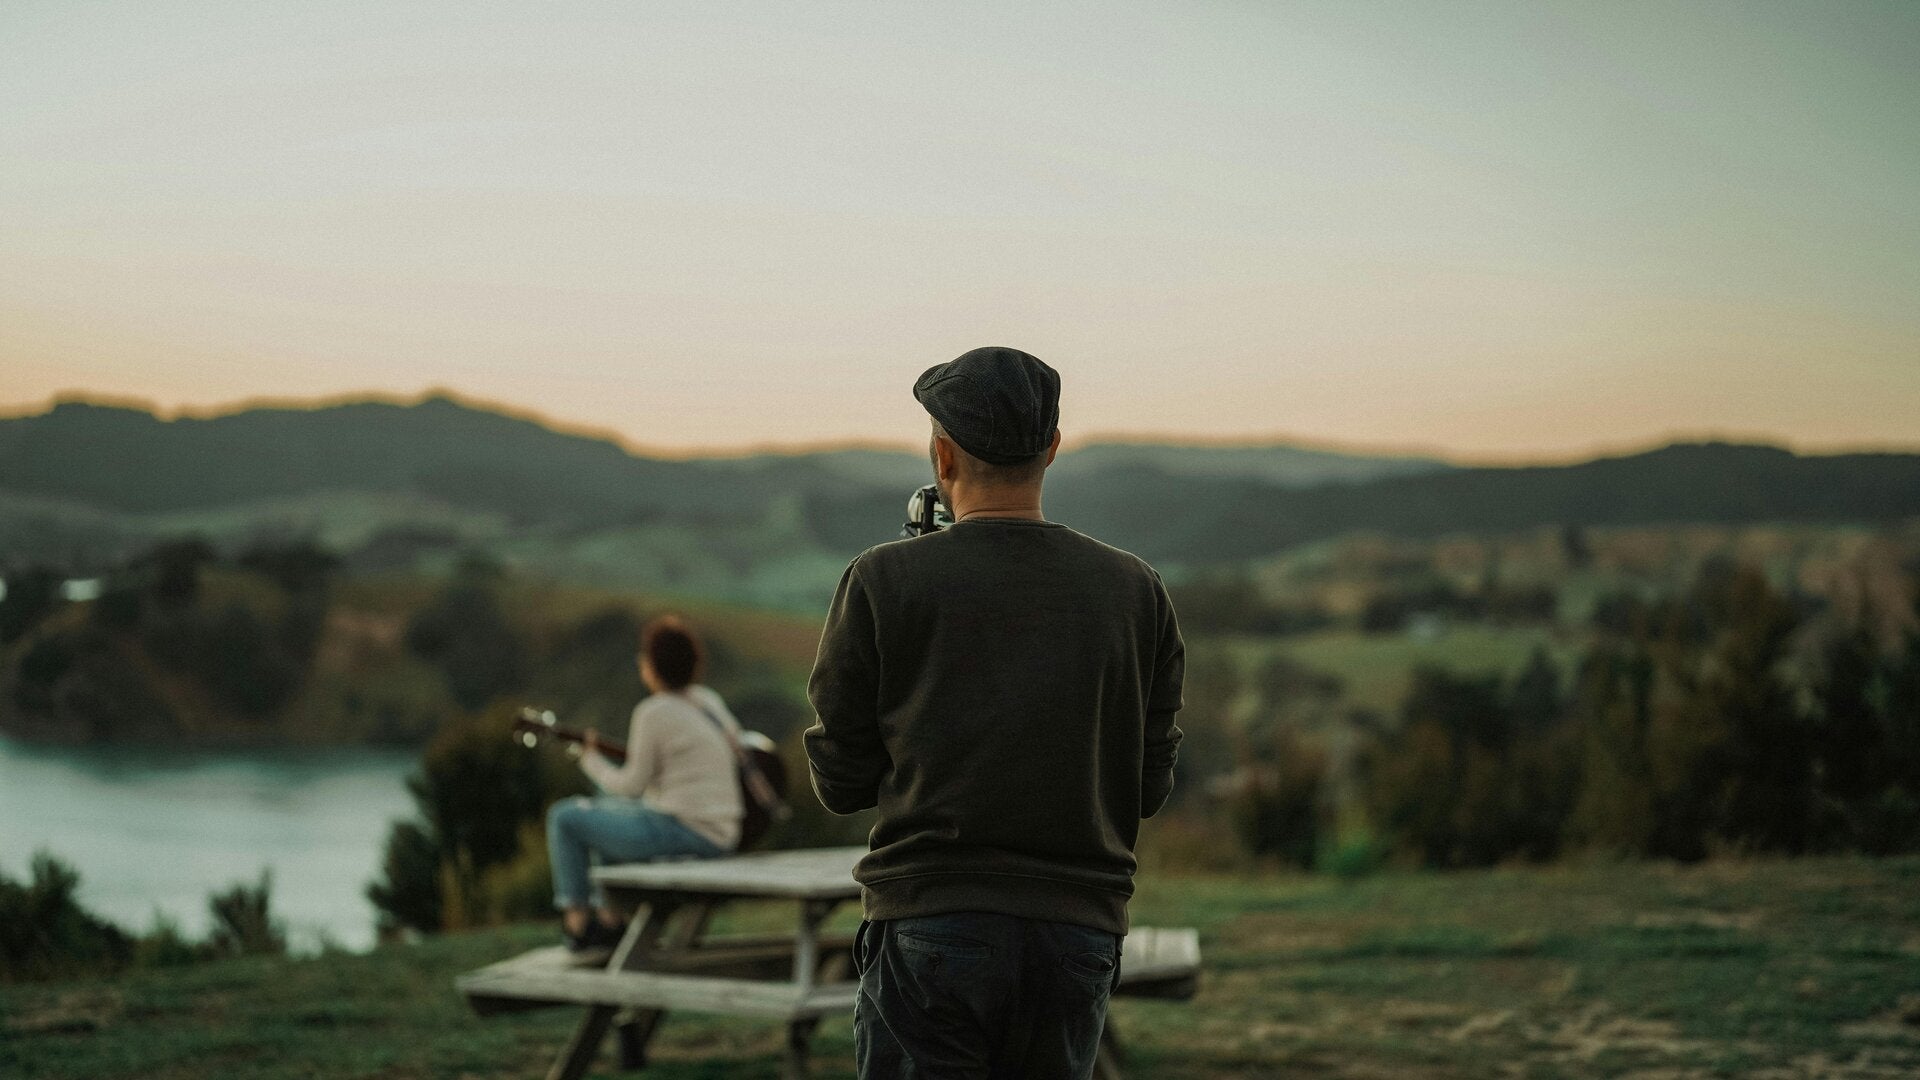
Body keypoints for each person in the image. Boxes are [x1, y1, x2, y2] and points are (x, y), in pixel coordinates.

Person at [804, 346, 1186, 1078]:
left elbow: (840, 782)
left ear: (943, 454)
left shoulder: (882, 580)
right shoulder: (1137, 590)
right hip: (1078, 930)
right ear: (1052, 448)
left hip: (931, 920)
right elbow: (1148, 785)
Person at [546, 615, 744, 951]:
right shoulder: (707, 700)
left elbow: (630, 786)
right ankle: (610, 919)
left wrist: (590, 759)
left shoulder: (653, 711)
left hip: (687, 831)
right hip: (723, 831)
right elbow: (736, 748)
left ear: (652, 666)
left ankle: (578, 925)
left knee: (564, 817)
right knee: (605, 809)